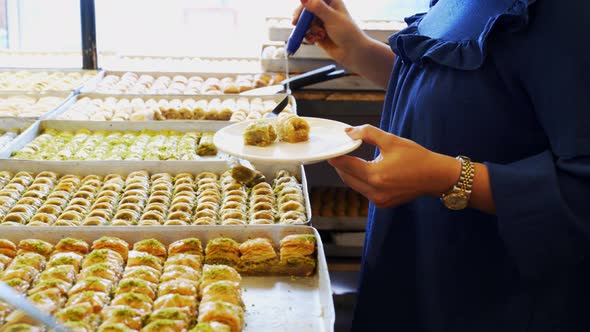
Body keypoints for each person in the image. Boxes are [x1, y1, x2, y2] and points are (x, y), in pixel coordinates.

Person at [293, 0, 590, 331]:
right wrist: (358, 50)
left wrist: (449, 178)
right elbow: (469, 87)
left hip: (493, 297)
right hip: (421, 261)